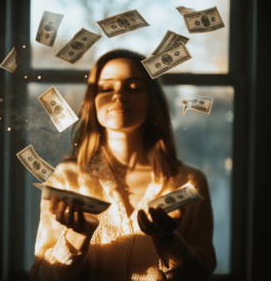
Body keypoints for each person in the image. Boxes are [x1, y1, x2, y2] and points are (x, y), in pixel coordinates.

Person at [30, 49, 216, 281]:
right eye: (106, 88)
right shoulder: (65, 179)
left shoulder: (190, 182)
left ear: (151, 102)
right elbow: (42, 277)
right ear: (93, 103)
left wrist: (166, 240)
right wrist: (77, 236)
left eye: (134, 87)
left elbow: (199, 276)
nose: (118, 94)